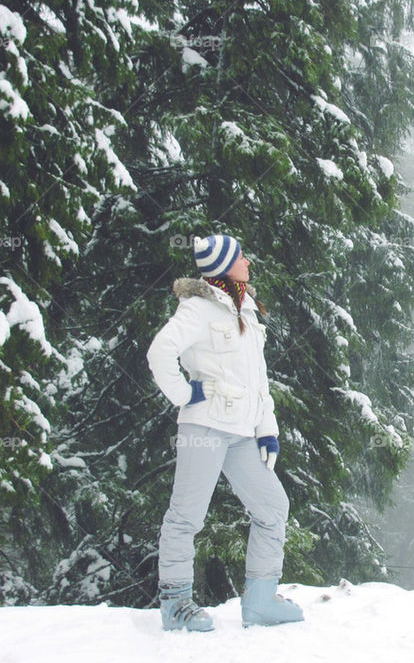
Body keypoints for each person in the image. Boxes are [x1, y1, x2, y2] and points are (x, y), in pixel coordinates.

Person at [146, 233, 303, 632]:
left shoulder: (246, 309)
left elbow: (258, 380)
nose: (248, 262)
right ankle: (175, 605)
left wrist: (266, 429)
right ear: (223, 266)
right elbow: (160, 352)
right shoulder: (197, 308)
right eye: (241, 256)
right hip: (204, 427)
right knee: (186, 516)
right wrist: (184, 394)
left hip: (242, 432)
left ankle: (260, 602)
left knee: (272, 508)